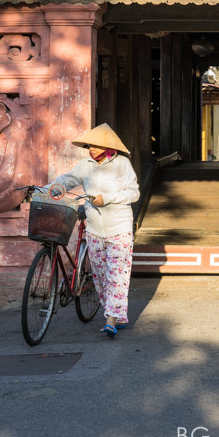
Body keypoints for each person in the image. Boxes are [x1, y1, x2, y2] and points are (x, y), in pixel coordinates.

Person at [47, 123, 139, 337]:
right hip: (95, 229)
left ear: (108, 147)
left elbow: (133, 193)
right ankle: (118, 313)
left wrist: (107, 199)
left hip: (119, 227)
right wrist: (49, 189)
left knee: (117, 275)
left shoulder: (122, 164)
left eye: (97, 146)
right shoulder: (86, 164)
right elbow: (68, 180)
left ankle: (111, 319)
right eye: (90, 145)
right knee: (100, 275)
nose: (92, 149)